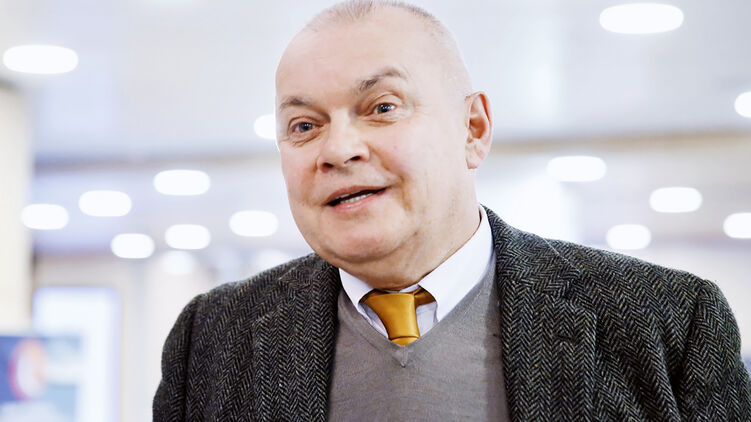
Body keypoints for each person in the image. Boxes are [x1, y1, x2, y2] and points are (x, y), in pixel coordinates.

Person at [153, 1, 751, 420]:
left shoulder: (667, 323)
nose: (337, 150)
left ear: (473, 129)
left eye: (382, 107)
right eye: (304, 125)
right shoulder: (212, 338)